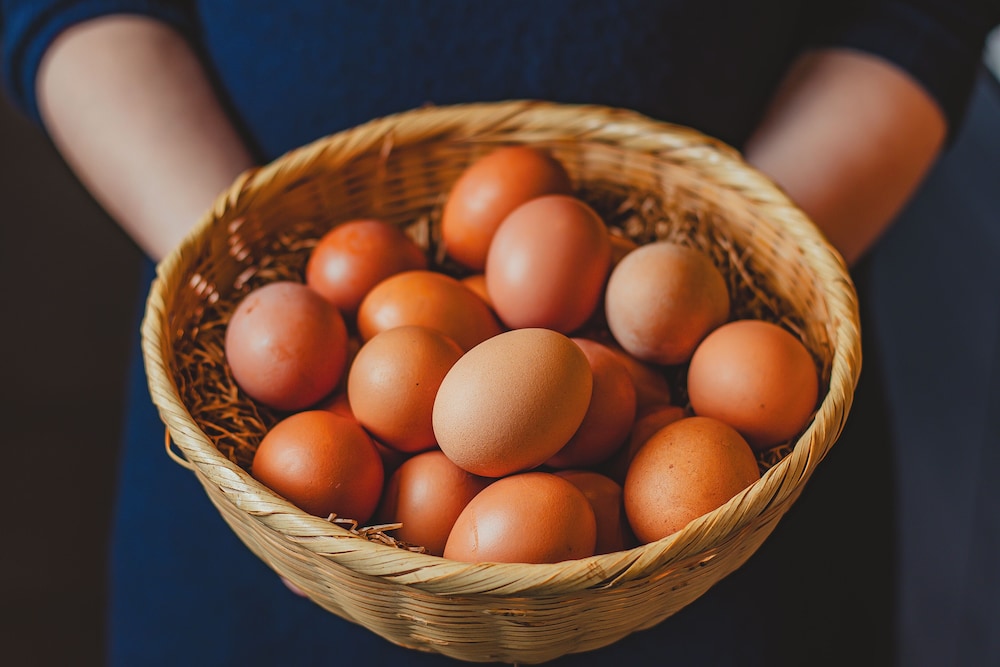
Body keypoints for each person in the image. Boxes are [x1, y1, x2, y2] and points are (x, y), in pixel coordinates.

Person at [2, 2, 997, 665]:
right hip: (264, 480)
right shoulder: (306, 390)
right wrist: (247, 270)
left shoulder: (676, 398)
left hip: (733, 529)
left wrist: (735, 263)